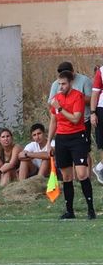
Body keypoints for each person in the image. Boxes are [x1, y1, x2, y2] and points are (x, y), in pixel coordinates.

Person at [48, 68, 96, 219]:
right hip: (62, 138)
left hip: (77, 137)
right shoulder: (56, 98)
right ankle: (70, 211)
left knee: (81, 174)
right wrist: (49, 142)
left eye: (63, 84)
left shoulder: (78, 97)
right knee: (66, 176)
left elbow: (76, 119)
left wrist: (60, 108)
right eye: (59, 84)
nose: (60, 86)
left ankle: (91, 209)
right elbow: (53, 121)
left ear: (70, 83)